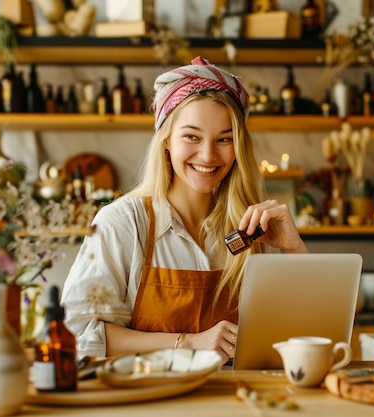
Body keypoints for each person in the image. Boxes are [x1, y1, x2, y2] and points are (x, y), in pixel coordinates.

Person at [61, 56, 308, 362]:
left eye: (224, 139)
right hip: (152, 402)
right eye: (191, 136)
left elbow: (300, 333)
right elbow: (78, 333)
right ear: (166, 140)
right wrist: (187, 342)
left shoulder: (251, 229)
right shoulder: (123, 223)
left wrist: (293, 248)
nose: (207, 155)